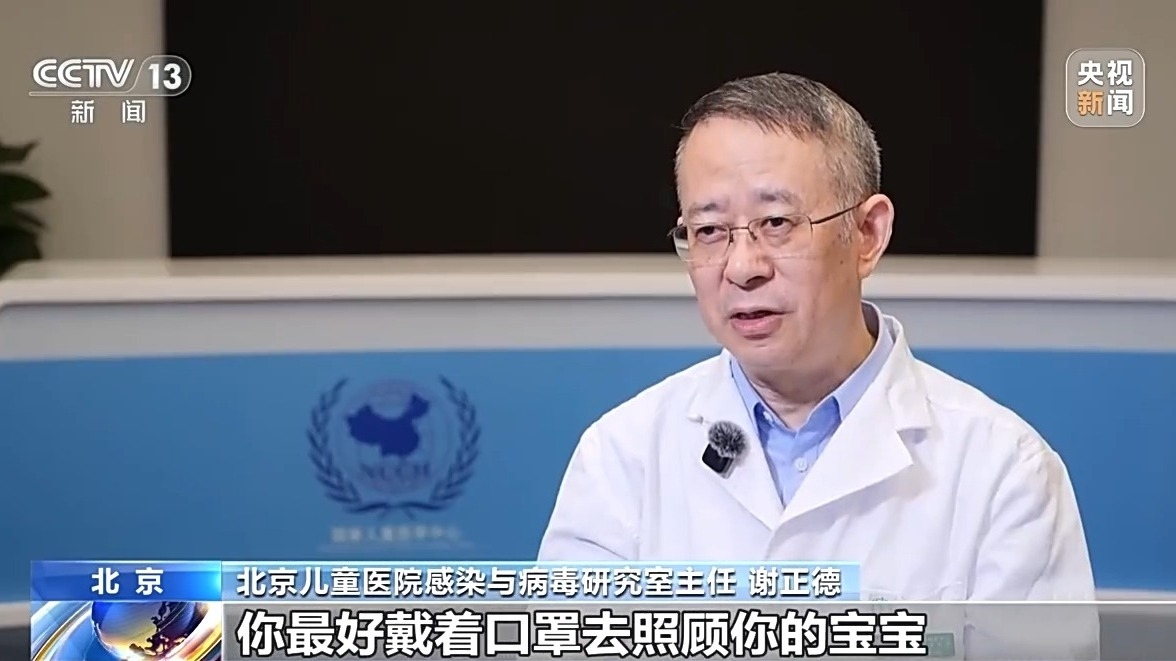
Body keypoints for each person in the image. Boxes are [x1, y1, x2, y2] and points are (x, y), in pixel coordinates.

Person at [538, 72, 1098, 656]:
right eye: (709, 231)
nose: (742, 267)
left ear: (867, 234)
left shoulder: (1004, 472)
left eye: (776, 224)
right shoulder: (622, 457)